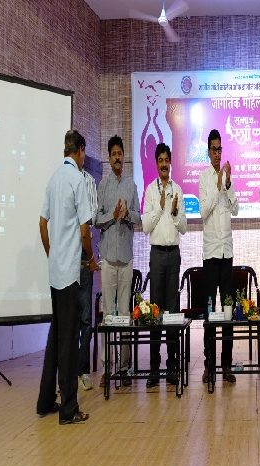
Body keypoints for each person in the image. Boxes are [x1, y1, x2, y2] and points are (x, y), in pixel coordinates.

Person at [36, 130, 98, 425]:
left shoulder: (53, 179)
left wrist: (52, 254)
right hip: (71, 274)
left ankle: (46, 400)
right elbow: (85, 230)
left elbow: (42, 223)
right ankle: (69, 409)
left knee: (55, 336)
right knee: (70, 340)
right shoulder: (77, 180)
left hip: (55, 272)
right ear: (80, 150)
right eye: (84, 153)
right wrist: (91, 258)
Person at [95, 135, 141, 387]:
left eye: (119, 153)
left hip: (125, 256)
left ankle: (124, 367)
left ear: (124, 156)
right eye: (113, 154)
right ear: (109, 157)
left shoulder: (131, 185)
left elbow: (138, 216)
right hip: (108, 258)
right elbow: (96, 219)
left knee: (124, 313)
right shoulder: (103, 185)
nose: (117, 158)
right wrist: (112, 216)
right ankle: (107, 367)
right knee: (108, 314)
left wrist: (127, 214)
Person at [142, 143, 187, 388]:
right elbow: (145, 226)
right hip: (157, 255)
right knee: (155, 312)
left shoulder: (178, 189)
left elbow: (184, 227)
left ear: (170, 162)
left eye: (166, 160)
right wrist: (160, 206)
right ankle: (153, 368)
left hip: (173, 254)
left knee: (172, 311)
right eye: (160, 160)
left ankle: (172, 365)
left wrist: (175, 212)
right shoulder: (150, 190)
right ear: (156, 163)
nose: (163, 164)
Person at [199, 129, 238, 384]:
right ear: (208, 152)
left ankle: (226, 365)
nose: (217, 153)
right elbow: (204, 212)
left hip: (227, 254)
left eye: (220, 149)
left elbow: (236, 209)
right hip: (211, 254)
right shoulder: (204, 178)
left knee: (227, 311)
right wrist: (217, 187)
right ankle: (209, 365)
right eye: (214, 149)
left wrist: (229, 185)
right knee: (209, 312)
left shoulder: (226, 178)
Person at [77, 163, 98, 391]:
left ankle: (82, 371)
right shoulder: (60, 179)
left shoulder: (89, 181)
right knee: (66, 320)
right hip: (65, 255)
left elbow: (90, 218)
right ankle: (66, 373)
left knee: (85, 318)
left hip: (83, 253)